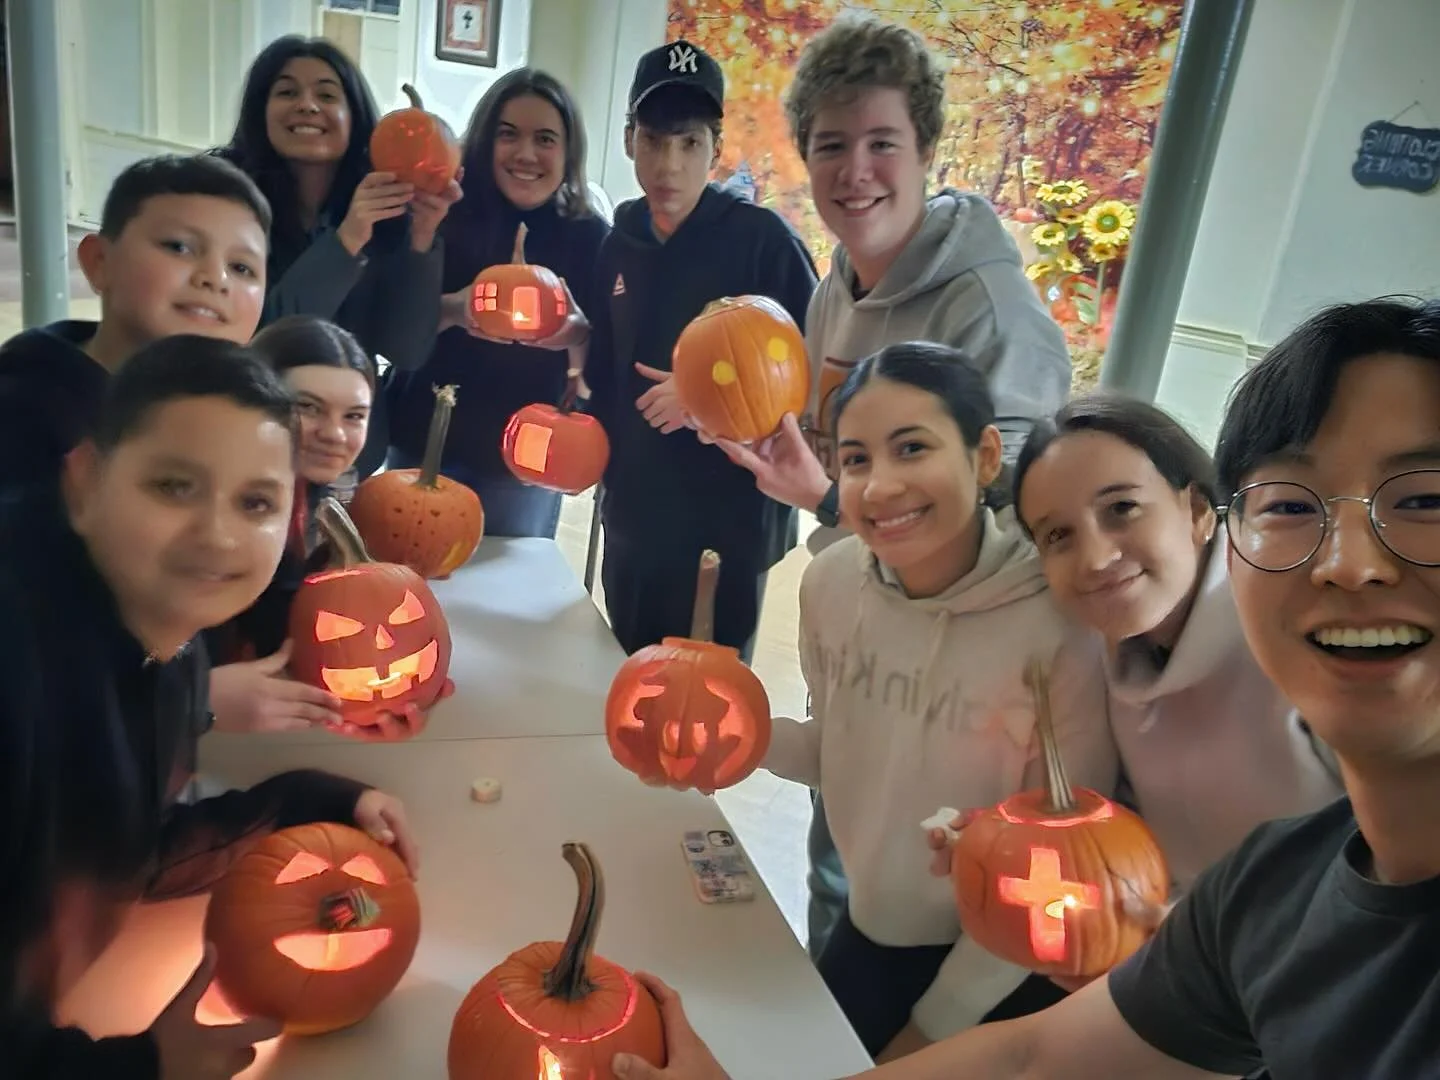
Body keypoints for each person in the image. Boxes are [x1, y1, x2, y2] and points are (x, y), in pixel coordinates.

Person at [606, 296, 1440, 1080]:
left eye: (1424, 498)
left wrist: (943, 1013)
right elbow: (1037, 1047)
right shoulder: (1253, 875)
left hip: (1013, 954)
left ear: (1201, 512)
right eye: (1060, 536)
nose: (1351, 565)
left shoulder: (1080, 639)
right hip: (1078, 956)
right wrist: (740, 739)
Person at [711, 13, 1073, 959]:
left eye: (881, 143)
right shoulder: (836, 287)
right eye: (831, 146)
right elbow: (830, 450)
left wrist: (830, 500)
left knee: (928, 883)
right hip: (863, 605)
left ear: (925, 149)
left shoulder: (988, 310)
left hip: (961, 655)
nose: (855, 171)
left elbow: (1017, 520)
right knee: (846, 841)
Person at [1, 335, 418, 1078]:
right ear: (85, 480)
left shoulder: (171, 651)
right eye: (173, 487)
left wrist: (308, 802)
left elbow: (123, 852)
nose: (218, 534)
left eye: (255, 502)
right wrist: (141, 1068)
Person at [760, 343, 1115, 1059]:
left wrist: (935, 1026)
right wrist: (734, 737)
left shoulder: (1061, 627)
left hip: (1000, 967)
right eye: (856, 459)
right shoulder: (828, 584)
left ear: (985, 456)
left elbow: (1059, 866)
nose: (881, 485)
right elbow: (838, 752)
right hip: (870, 930)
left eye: (912, 448)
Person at [1002, 393, 1342, 893]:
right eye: (1058, 536)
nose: (1095, 558)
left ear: (1199, 511)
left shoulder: (1306, 638)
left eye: (1122, 508)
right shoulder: (1103, 656)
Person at [584, 40, 818, 662]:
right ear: (629, 138)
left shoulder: (761, 243)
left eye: (689, 144)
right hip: (635, 511)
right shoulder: (618, 244)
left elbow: (810, 371)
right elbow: (604, 371)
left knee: (703, 700)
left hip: (726, 522)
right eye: (656, 140)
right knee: (628, 675)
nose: (669, 165)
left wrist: (706, 398)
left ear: (715, 149)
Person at [215, 35, 460, 479]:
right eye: (287, 91)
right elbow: (265, 337)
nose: (308, 105)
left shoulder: (387, 209)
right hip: (254, 439)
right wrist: (345, 240)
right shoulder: (229, 207)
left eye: (327, 94)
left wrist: (422, 237)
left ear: (355, 116)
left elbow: (405, 350)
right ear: (260, 109)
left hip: (347, 456)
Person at [386, 68, 608, 537]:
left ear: (568, 154)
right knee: (411, 582)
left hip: (523, 462)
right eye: (509, 135)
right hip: (421, 438)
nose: (526, 154)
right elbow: (394, 331)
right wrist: (454, 309)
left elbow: (600, 368)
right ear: (486, 141)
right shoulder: (442, 211)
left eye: (545, 139)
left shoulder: (591, 239)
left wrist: (575, 335)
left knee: (504, 593)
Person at [0, 153, 270, 495]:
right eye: (179, 247)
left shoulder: (243, 418)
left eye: (242, 268)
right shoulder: (24, 414)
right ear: (100, 262)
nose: (215, 278)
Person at [205, 315, 375, 733]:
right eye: (307, 407)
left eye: (354, 416)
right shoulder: (212, 511)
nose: (335, 434)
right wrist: (196, 697)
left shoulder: (310, 492)